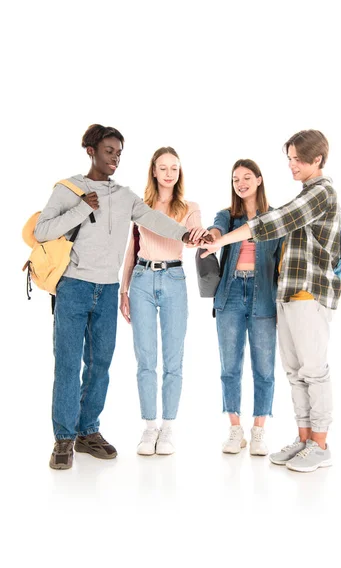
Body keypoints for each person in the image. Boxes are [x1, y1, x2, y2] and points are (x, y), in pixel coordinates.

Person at [35, 125, 196, 470]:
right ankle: (63, 439)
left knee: (100, 365)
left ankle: (88, 431)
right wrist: (81, 208)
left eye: (119, 153)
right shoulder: (68, 189)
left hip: (107, 290)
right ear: (91, 151)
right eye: (109, 151)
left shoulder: (125, 196)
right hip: (73, 288)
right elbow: (41, 231)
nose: (115, 159)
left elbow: (153, 219)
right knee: (67, 364)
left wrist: (187, 235)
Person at [200, 130, 341, 472]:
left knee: (313, 371)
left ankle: (320, 445)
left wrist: (221, 243)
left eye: (297, 158)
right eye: (289, 158)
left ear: (316, 159)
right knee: (294, 373)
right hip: (287, 295)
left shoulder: (321, 192)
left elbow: (272, 223)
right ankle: (304, 439)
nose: (291, 165)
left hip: (310, 293)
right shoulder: (304, 193)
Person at [120, 147, 210, 456]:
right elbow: (132, 249)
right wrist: (124, 290)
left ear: (179, 172)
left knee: (173, 360)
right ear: (154, 171)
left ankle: (168, 427)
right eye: (163, 167)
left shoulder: (189, 206)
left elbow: (195, 228)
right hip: (142, 281)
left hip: (173, 280)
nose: (169, 172)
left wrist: (198, 232)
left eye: (174, 167)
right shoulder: (140, 206)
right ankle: (149, 428)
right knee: (145, 360)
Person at [207, 160, 282, 455]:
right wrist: (212, 237)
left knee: (264, 368)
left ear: (259, 180)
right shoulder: (227, 215)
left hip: (264, 294)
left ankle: (259, 430)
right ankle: (235, 429)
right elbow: (217, 230)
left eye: (247, 177)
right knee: (230, 367)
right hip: (231, 293)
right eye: (236, 178)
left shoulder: (275, 217)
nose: (241, 183)